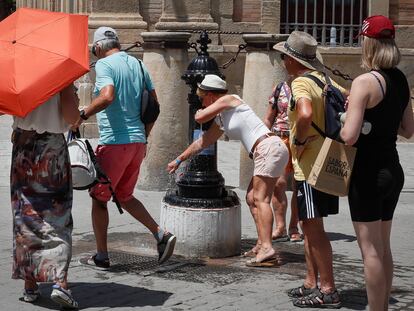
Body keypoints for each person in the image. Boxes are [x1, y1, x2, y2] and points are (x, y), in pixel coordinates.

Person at [74, 26, 176, 269]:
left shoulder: (104, 65)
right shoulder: (139, 65)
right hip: (137, 143)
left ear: (98, 47)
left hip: (115, 143)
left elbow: (108, 96)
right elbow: (154, 105)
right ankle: (161, 234)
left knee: (99, 198)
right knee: (123, 195)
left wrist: (83, 114)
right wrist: (143, 136)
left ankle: (101, 256)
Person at [167, 74, 289, 267]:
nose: (201, 101)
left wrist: (199, 111)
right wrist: (178, 159)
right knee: (251, 198)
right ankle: (261, 244)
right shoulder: (223, 119)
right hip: (268, 150)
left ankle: (267, 247)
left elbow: (199, 116)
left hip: (268, 148)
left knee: (261, 199)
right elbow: (202, 142)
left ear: (210, 95)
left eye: (202, 97)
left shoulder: (230, 99)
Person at [340, 15, 414, 311]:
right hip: (393, 171)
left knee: (369, 250)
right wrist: (381, 123)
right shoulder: (400, 79)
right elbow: (408, 130)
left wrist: (346, 117)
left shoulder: (364, 82)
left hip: (367, 174)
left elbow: (348, 136)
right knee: (383, 247)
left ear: (368, 43)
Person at [274, 31, 348, 308]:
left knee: (314, 229)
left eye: (284, 56)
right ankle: (310, 282)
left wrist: (302, 140)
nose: (282, 61)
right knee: (307, 224)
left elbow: (304, 114)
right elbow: (350, 99)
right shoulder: (325, 80)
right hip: (328, 160)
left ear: (292, 60)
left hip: (310, 166)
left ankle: (328, 290)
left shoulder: (301, 83)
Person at [11, 84, 80, 309]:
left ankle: (30, 285)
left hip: (23, 146)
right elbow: (71, 118)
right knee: (56, 214)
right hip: (51, 149)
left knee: (26, 214)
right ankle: (60, 283)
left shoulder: (18, 74)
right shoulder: (61, 77)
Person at [264, 79, 302, 243]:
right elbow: (269, 117)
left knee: (299, 185)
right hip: (280, 138)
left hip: (302, 139)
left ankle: (294, 226)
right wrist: (263, 139)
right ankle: (280, 227)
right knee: (278, 183)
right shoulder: (279, 87)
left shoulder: (309, 86)